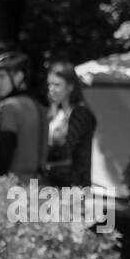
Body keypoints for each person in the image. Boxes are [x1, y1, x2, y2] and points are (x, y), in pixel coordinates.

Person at [0, 47, 47, 179]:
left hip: (13, 186)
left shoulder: (10, 107)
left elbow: (4, 153)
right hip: (37, 185)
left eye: (1, 77)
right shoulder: (39, 106)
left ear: (19, 76)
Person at [44, 59, 96, 187]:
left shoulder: (80, 113)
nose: (52, 89)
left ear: (70, 87)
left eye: (57, 85)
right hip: (52, 184)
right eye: (49, 85)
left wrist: (38, 155)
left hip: (74, 188)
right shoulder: (53, 113)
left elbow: (65, 150)